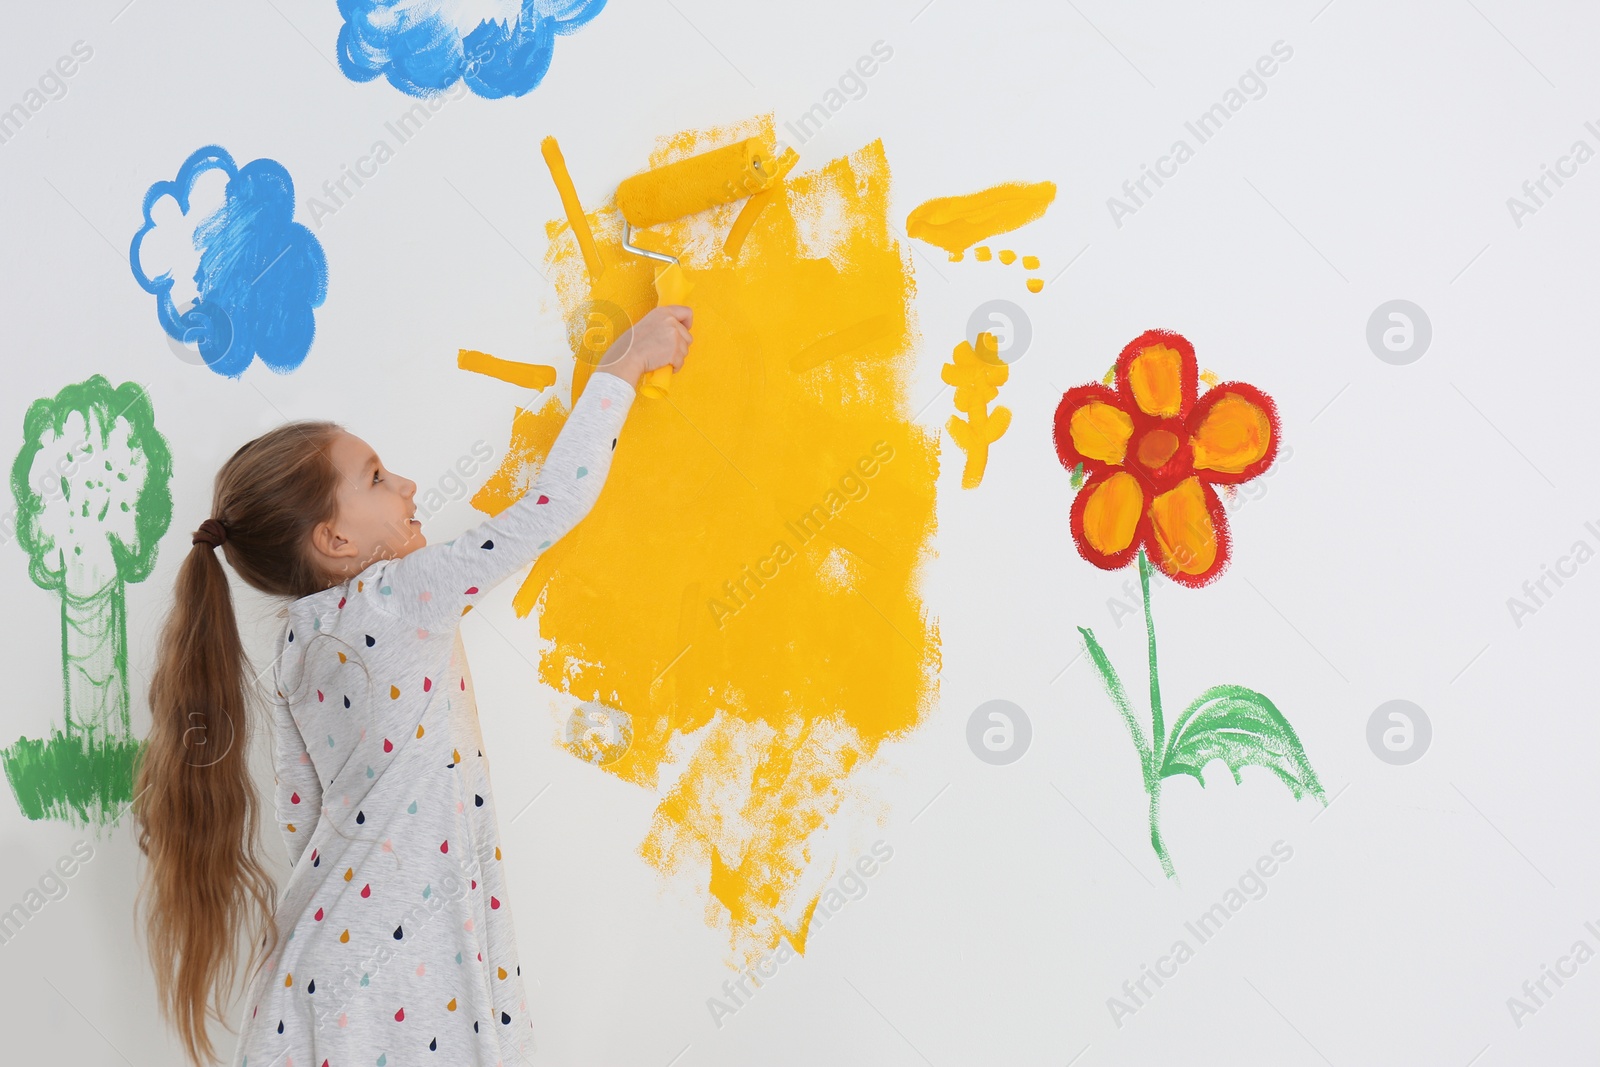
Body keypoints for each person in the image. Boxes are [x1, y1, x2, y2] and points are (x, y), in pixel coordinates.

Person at [133, 306, 693, 1066]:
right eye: (375, 478)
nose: (407, 484)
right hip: (404, 971)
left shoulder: (298, 645)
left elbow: (306, 818)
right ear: (335, 540)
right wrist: (620, 369)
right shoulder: (403, 593)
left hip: (326, 971)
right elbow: (549, 509)